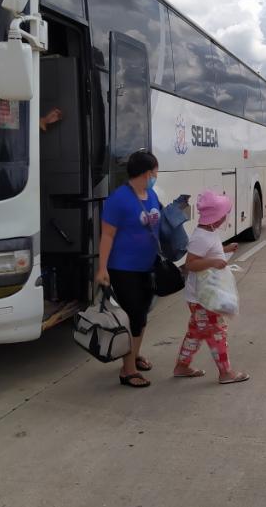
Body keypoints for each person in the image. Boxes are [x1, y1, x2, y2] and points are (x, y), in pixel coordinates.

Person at [95, 150, 162, 389]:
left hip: (147, 267)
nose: (156, 176)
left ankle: (133, 354)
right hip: (123, 268)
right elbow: (107, 236)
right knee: (134, 316)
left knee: (142, 316)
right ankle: (128, 370)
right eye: (155, 172)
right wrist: (102, 268)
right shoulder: (118, 200)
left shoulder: (151, 194)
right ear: (146, 173)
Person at [173, 190, 250, 384]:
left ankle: (182, 366)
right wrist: (214, 262)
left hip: (199, 297)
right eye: (223, 214)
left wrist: (225, 250)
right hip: (203, 298)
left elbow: (209, 251)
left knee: (195, 332)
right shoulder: (201, 237)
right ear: (214, 218)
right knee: (217, 333)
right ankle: (226, 373)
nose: (225, 217)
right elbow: (190, 264)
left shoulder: (209, 232)